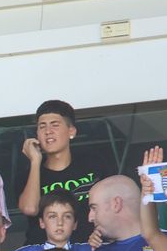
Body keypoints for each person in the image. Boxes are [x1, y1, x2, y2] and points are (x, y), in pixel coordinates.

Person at [17, 100, 109, 238]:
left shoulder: (94, 163)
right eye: (42, 127)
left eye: (55, 125)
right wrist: (35, 161)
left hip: (92, 248)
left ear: (71, 131)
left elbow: (112, 206)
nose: (48, 131)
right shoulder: (30, 174)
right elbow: (30, 209)